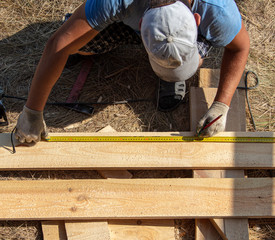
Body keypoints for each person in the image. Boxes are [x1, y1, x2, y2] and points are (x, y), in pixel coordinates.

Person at [15, 0, 250, 143]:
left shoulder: (217, 11)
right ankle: (84, 30)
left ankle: (173, 68)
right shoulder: (116, 2)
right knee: (79, 45)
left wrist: (222, 105)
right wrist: (32, 112)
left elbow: (240, 47)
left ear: (197, 20)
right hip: (129, 13)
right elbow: (58, 45)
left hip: (168, 26)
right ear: (140, 26)